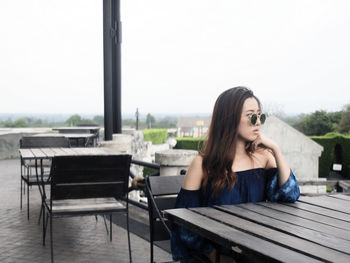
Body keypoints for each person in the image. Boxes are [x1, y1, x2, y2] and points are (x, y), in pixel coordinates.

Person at [171, 87, 300, 263]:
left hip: (255, 248)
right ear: (229, 118)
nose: (257, 122)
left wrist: (276, 150)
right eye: (250, 115)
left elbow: (290, 195)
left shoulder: (263, 157)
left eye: (260, 115)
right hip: (215, 253)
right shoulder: (202, 164)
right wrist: (214, 255)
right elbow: (184, 222)